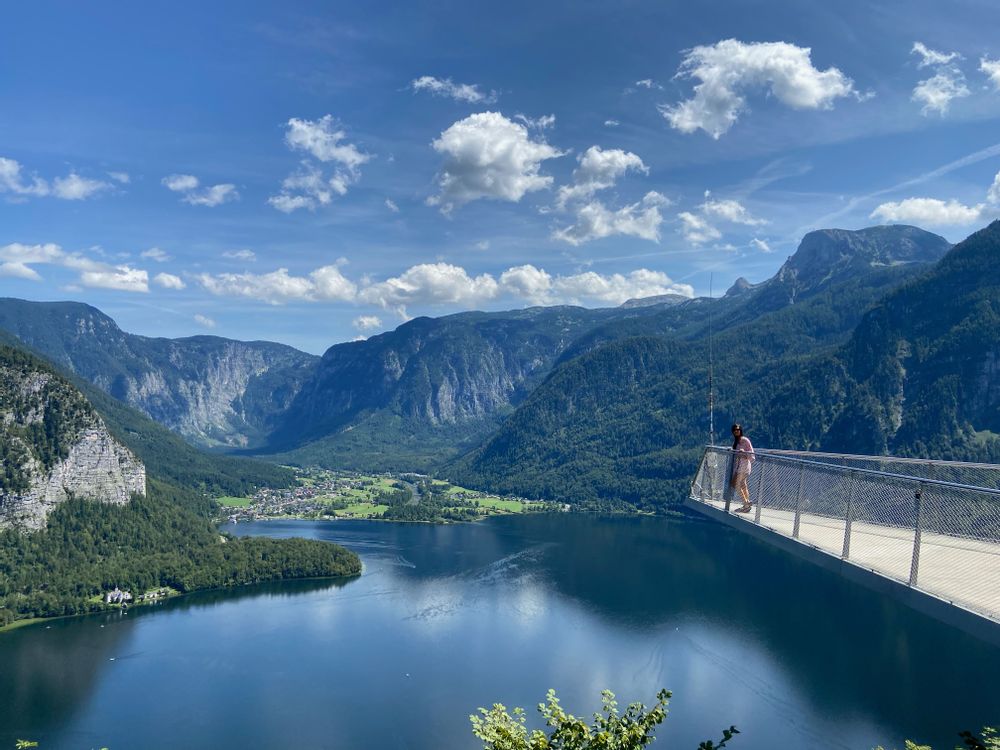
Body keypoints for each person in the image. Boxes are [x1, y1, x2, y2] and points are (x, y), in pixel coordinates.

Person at [730, 423, 755, 513]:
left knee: (735, 484)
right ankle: (747, 503)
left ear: (740, 430)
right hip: (739, 467)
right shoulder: (736, 442)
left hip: (744, 467)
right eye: (735, 430)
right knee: (743, 485)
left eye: (738, 430)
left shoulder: (745, 440)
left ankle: (745, 503)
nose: (737, 431)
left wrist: (744, 452)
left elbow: (752, 454)